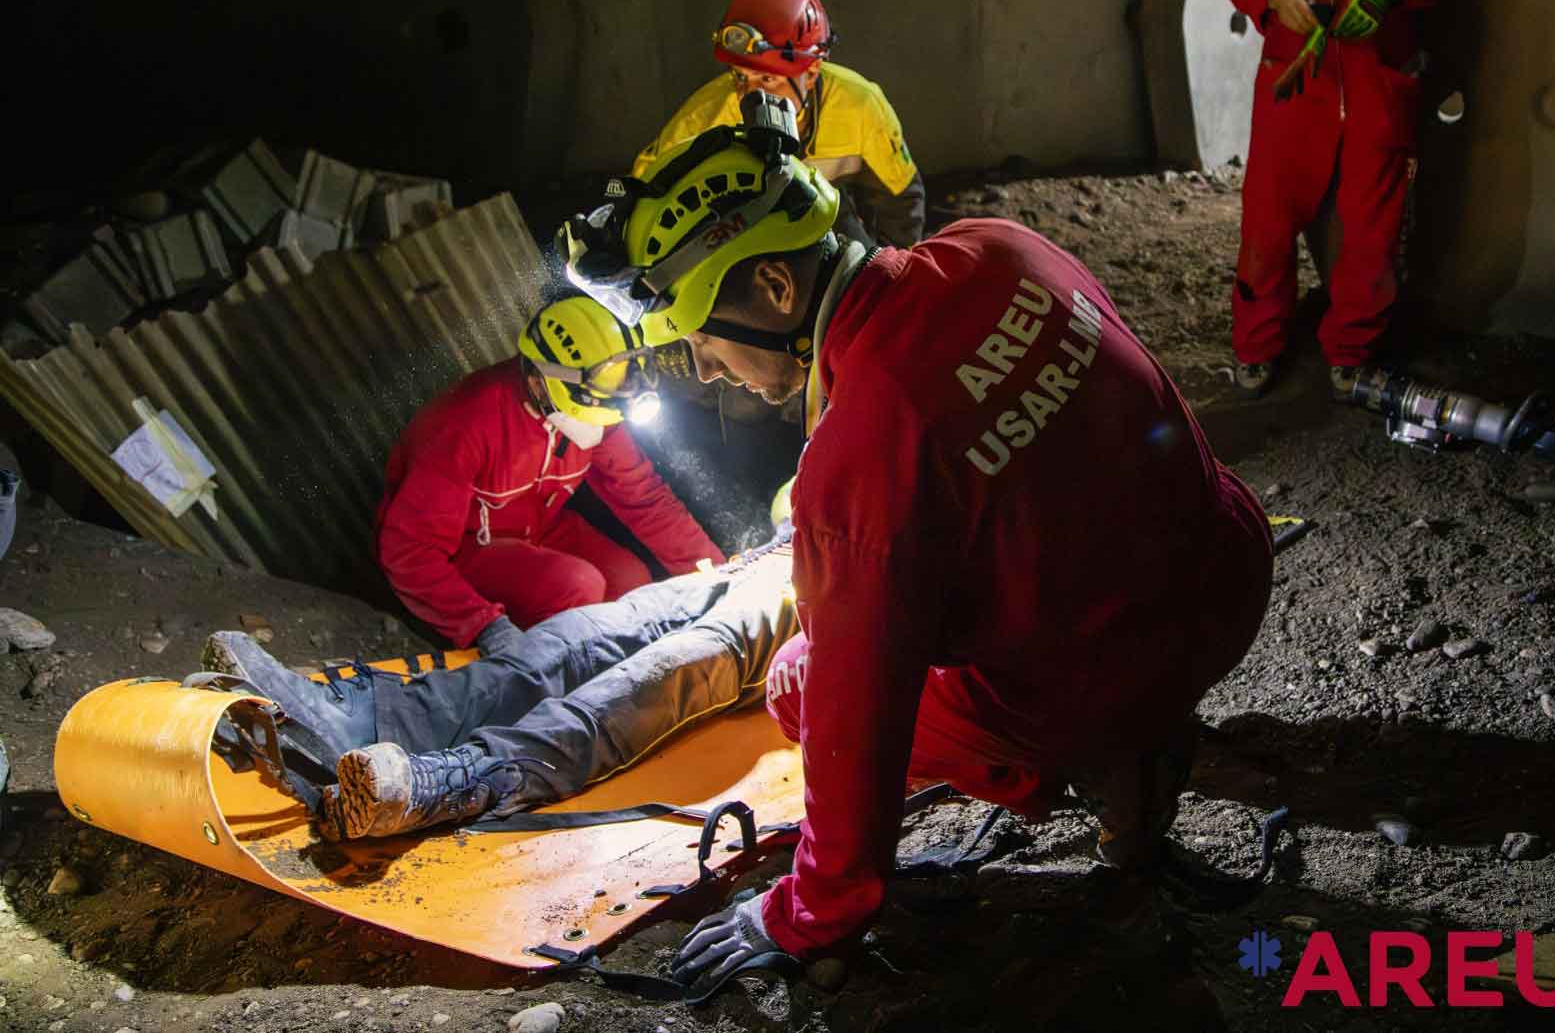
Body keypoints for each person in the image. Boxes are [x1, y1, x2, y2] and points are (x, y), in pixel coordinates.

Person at [558, 93, 1275, 986]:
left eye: (701, 336)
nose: (706, 368)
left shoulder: (863, 445)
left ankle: (1107, 758)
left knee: (800, 685)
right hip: (1226, 570)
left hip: (1110, 670)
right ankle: (1143, 751)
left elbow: (857, 721)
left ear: (776, 287)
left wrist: (808, 913)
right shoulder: (995, 246)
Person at [200, 508, 798, 843]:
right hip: (766, 560)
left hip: (817, 601)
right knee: (577, 636)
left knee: (679, 664)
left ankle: (474, 776)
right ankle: (370, 721)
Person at [374, 297, 724, 656]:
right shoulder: (464, 425)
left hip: (540, 527)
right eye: (591, 411)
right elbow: (409, 552)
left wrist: (716, 574)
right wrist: (482, 624)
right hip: (466, 548)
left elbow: (644, 497)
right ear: (540, 384)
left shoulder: (600, 403)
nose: (603, 427)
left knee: (630, 580)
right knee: (576, 586)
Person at [1221, 0, 1459, 399]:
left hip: (1379, 74)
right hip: (1294, 68)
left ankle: (1353, 351)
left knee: (1373, 226)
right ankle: (1257, 344)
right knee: (1267, 218)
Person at [632, 0, 924, 249]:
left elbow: (899, 204)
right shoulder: (705, 116)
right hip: (739, 226)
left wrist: (892, 276)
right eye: (740, 76)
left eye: (767, 79)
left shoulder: (860, 105)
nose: (750, 94)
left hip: (826, 212)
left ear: (811, 72)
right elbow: (642, 195)